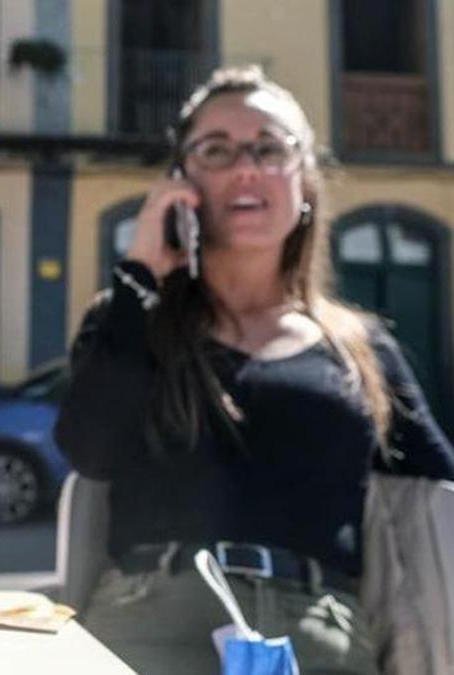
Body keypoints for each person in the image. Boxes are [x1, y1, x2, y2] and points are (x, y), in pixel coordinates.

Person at [55, 65, 454, 675]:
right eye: (216, 150)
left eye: (269, 148)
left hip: (322, 635)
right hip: (147, 624)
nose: (246, 167)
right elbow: (91, 451)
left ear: (306, 182)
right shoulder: (131, 318)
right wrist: (139, 277)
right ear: (180, 181)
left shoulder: (363, 349)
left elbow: (439, 496)